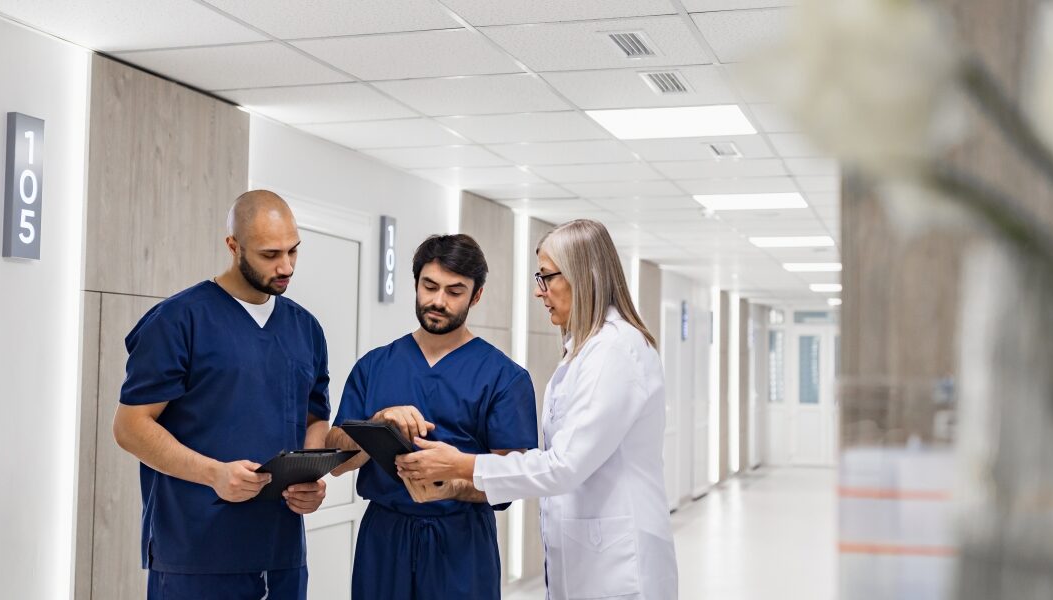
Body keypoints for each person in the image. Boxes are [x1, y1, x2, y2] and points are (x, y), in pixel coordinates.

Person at [397, 219, 679, 599]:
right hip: (587, 554)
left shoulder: (615, 350)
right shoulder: (586, 350)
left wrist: (461, 464)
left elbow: (563, 466)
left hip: (619, 565)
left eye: (546, 276)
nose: (538, 290)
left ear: (583, 276)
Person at [113, 190, 331, 600]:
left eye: (293, 251)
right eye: (270, 255)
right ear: (234, 247)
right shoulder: (179, 321)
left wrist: (309, 477)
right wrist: (213, 474)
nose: (286, 266)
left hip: (281, 552)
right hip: (196, 554)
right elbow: (129, 427)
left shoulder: (306, 329)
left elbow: (315, 417)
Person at [325, 234, 538, 600]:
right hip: (384, 540)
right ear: (416, 284)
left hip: (462, 542)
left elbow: (514, 476)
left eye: (455, 291)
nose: (438, 301)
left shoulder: (504, 377)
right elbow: (337, 461)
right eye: (430, 286)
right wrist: (378, 423)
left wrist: (452, 484)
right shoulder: (374, 366)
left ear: (476, 296)